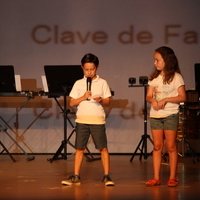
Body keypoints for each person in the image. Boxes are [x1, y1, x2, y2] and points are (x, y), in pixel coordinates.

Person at [61, 53, 114, 186]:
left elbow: (108, 101)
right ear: (82, 68)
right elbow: (72, 103)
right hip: (82, 121)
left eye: (92, 69)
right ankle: (76, 175)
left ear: (97, 67)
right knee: (79, 148)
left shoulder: (102, 82)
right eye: (86, 69)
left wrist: (101, 99)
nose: (89, 72)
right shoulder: (78, 83)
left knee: (103, 148)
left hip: (97, 121)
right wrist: (83, 97)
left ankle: (106, 176)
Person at [145, 46, 186, 187]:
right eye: (154, 60)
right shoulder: (155, 78)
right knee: (157, 146)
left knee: (171, 146)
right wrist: (154, 100)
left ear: (167, 60)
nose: (155, 63)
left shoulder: (176, 77)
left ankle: (173, 177)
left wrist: (166, 99)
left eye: (157, 60)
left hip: (170, 115)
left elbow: (182, 96)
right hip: (156, 115)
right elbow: (148, 96)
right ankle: (156, 177)